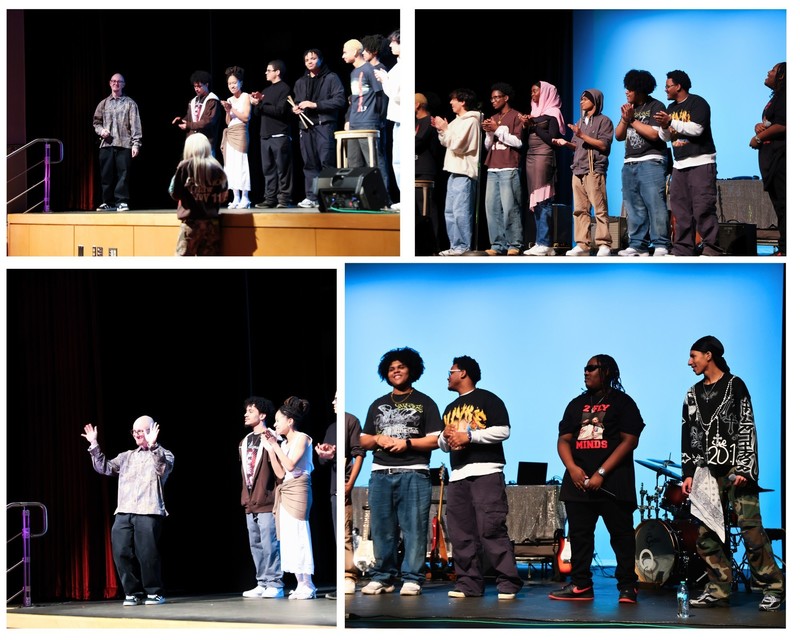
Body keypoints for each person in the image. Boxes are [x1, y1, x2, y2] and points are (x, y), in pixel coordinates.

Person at [681, 336, 785, 611]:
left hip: (736, 471)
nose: (690, 362)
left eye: (694, 356)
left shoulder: (735, 385)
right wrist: (688, 472)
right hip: (705, 474)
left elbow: (746, 426)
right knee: (706, 534)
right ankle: (717, 589)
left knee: (751, 532)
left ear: (709, 355)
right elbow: (689, 434)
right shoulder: (692, 393)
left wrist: (744, 468)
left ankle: (773, 587)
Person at [550, 355, 645, 603]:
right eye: (585, 368)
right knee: (580, 537)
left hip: (613, 483)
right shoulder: (576, 404)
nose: (586, 372)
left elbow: (630, 440)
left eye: (591, 368)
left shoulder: (622, 403)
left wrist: (602, 472)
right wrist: (571, 467)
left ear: (607, 371)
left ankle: (627, 586)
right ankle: (581, 584)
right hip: (578, 483)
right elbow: (563, 440)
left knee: (621, 537)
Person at [438, 356, 523, 600]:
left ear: (463, 373)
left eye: (451, 371)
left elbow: (503, 430)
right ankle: (468, 584)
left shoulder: (488, 398)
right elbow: (443, 445)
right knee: (460, 533)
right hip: (458, 475)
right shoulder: (449, 408)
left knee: (491, 529)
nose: (448, 375)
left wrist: (470, 437)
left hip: (486, 471)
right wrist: (445, 436)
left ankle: (507, 582)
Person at [360, 347, 443, 596]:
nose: (396, 371)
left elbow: (435, 440)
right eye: (391, 369)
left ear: (412, 370)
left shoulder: (425, 402)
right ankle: (383, 577)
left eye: (401, 367)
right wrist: (378, 438)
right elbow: (363, 440)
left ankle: (412, 577)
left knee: (414, 528)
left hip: (414, 472)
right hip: (380, 473)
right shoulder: (378, 404)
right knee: (382, 528)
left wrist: (406, 443)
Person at [81, 416, 174, 605]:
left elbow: (162, 468)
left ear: (152, 430)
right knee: (121, 551)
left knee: (147, 553)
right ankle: (132, 592)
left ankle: (154, 592)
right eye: (135, 431)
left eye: (142, 430)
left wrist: (154, 446)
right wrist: (94, 444)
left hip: (148, 510)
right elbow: (105, 468)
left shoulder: (164, 454)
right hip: (124, 510)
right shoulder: (126, 456)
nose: (137, 434)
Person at [653, 70, 721, 256]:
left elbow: (697, 129)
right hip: (680, 164)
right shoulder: (670, 109)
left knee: (703, 207)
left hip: (701, 162)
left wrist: (671, 121)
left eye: (668, 86)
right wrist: (666, 125)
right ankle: (683, 248)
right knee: (680, 210)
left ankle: (711, 248)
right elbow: (664, 137)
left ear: (678, 86)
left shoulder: (698, 103)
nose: (665, 89)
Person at [262, 396, 316, 600]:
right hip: (285, 489)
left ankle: (308, 584)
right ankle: (299, 582)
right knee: (289, 538)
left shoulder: (302, 437)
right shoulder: (284, 444)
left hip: (299, 489)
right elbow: (280, 472)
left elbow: (292, 465)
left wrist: (275, 446)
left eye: (277, 420)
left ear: (290, 421)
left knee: (300, 534)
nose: (275, 425)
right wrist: (271, 449)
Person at [614, 70, 671, 257]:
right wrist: (625, 118)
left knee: (655, 204)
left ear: (639, 90)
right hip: (630, 162)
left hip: (651, 160)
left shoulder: (656, 106)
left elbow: (655, 134)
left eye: (629, 89)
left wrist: (632, 120)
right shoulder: (629, 109)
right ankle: (638, 245)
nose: (626, 92)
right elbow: (619, 136)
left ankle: (661, 243)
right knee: (633, 205)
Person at [315, 392, 365, 598]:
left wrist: (350, 483)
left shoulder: (351, 421)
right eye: (333, 398)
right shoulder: (332, 427)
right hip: (334, 486)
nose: (333, 402)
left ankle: (348, 577)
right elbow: (324, 461)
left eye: (337, 398)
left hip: (345, 484)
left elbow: (359, 453)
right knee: (338, 533)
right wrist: (325, 454)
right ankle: (341, 578)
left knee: (345, 533)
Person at [557, 89, 614, 257]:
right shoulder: (580, 122)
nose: (581, 102)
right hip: (578, 169)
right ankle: (582, 244)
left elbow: (604, 146)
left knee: (599, 208)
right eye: (580, 99)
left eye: (585, 99)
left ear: (595, 101)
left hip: (594, 168)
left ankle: (604, 243)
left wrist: (582, 135)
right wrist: (565, 143)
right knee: (580, 210)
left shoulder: (604, 121)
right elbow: (577, 146)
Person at [239, 396, 284, 599]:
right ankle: (262, 582)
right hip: (250, 500)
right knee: (255, 543)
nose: (246, 414)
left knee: (270, 543)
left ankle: (275, 582)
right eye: (246, 411)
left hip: (267, 500)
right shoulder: (245, 441)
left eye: (251, 410)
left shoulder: (273, 437)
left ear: (262, 415)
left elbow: (279, 469)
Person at [292, 49, 347, 208]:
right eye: (307, 59)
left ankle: (329, 197)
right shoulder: (300, 81)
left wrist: (315, 104)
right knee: (309, 163)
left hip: (324, 125)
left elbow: (339, 100)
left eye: (313, 58)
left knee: (326, 161)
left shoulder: (331, 78)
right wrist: (296, 108)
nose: (309, 61)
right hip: (306, 127)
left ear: (321, 60)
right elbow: (297, 101)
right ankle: (311, 197)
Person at [519, 81, 566, 256]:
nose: (533, 95)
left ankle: (545, 242)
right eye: (531, 92)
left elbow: (551, 139)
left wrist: (533, 126)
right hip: (531, 157)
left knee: (544, 201)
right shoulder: (535, 113)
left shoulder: (553, 113)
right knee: (536, 202)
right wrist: (525, 125)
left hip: (544, 157)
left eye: (535, 91)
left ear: (545, 92)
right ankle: (541, 242)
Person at [432, 89, 482, 256]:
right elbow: (446, 141)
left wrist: (445, 129)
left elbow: (459, 145)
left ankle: (463, 246)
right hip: (453, 170)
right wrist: (442, 130)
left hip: (464, 171)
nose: (451, 103)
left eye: (454, 100)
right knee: (450, 211)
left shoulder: (471, 121)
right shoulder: (457, 121)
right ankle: (455, 245)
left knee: (461, 211)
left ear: (463, 102)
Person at [342, 39, 390, 193]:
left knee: (374, 161)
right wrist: (349, 119)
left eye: (345, 52)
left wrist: (378, 118)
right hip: (355, 122)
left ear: (356, 52)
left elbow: (381, 96)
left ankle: (382, 197)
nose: (343, 55)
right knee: (354, 162)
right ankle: (358, 197)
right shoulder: (353, 72)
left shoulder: (370, 69)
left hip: (369, 122)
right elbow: (355, 99)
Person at [481, 83, 524, 256]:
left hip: (509, 166)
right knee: (491, 208)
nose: (493, 100)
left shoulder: (516, 116)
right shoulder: (493, 117)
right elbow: (487, 147)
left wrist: (497, 129)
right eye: (491, 98)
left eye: (496, 97)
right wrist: (489, 133)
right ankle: (497, 245)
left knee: (510, 208)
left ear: (506, 98)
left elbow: (519, 142)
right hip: (492, 168)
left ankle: (514, 244)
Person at [168, 133, 228, 256]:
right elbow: (223, 195)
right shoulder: (217, 167)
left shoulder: (184, 167)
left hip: (191, 224)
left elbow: (174, 192)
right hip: (212, 224)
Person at [750, 62, 786, 256]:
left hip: (782, 160)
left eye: (772, 70)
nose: (768, 72)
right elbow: (773, 123)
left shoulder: (787, 96)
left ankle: (786, 250)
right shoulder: (777, 99)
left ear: (781, 76)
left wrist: (758, 138)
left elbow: (783, 124)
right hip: (771, 160)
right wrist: (759, 126)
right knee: (781, 206)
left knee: (785, 205)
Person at [92, 73, 142, 212]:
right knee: (106, 174)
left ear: (123, 84)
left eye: (119, 82)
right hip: (106, 144)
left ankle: (121, 201)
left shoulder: (130, 103)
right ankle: (107, 202)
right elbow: (96, 122)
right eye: (113, 81)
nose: (116, 84)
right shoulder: (103, 103)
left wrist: (136, 144)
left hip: (124, 143)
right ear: (109, 83)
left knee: (123, 174)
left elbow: (135, 125)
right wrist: (101, 131)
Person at [250, 60, 294, 209]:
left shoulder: (285, 88)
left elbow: (280, 111)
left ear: (277, 72)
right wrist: (257, 103)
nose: (266, 73)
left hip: (279, 135)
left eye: (269, 70)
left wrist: (261, 105)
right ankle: (270, 198)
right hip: (265, 135)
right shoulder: (266, 91)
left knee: (283, 169)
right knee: (268, 170)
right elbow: (258, 113)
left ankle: (284, 199)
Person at [375, 29, 401, 210]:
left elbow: (398, 94)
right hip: (397, 120)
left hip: (403, 120)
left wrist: (385, 80)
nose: (391, 45)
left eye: (394, 42)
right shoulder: (398, 66)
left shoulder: (404, 67)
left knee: (401, 162)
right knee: (397, 161)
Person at [221, 65, 252, 209]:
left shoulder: (245, 96)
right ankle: (236, 197)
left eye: (234, 82)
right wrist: (227, 110)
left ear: (241, 83)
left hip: (240, 133)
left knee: (241, 164)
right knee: (231, 166)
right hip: (230, 133)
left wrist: (231, 108)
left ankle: (245, 197)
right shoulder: (229, 99)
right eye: (229, 83)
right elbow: (228, 121)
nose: (232, 86)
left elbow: (246, 117)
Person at [414, 92, 441, 254]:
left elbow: (418, 142)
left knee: (428, 210)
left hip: (425, 171)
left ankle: (433, 246)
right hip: (414, 170)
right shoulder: (414, 122)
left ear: (417, 105)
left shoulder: (429, 122)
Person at [172, 70, 222, 157]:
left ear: (206, 85)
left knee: (205, 167)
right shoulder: (193, 101)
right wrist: (182, 120)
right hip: (193, 142)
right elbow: (189, 118)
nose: (196, 89)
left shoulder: (212, 101)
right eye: (195, 86)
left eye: (199, 86)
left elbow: (208, 121)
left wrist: (188, 125)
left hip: (206, 142)